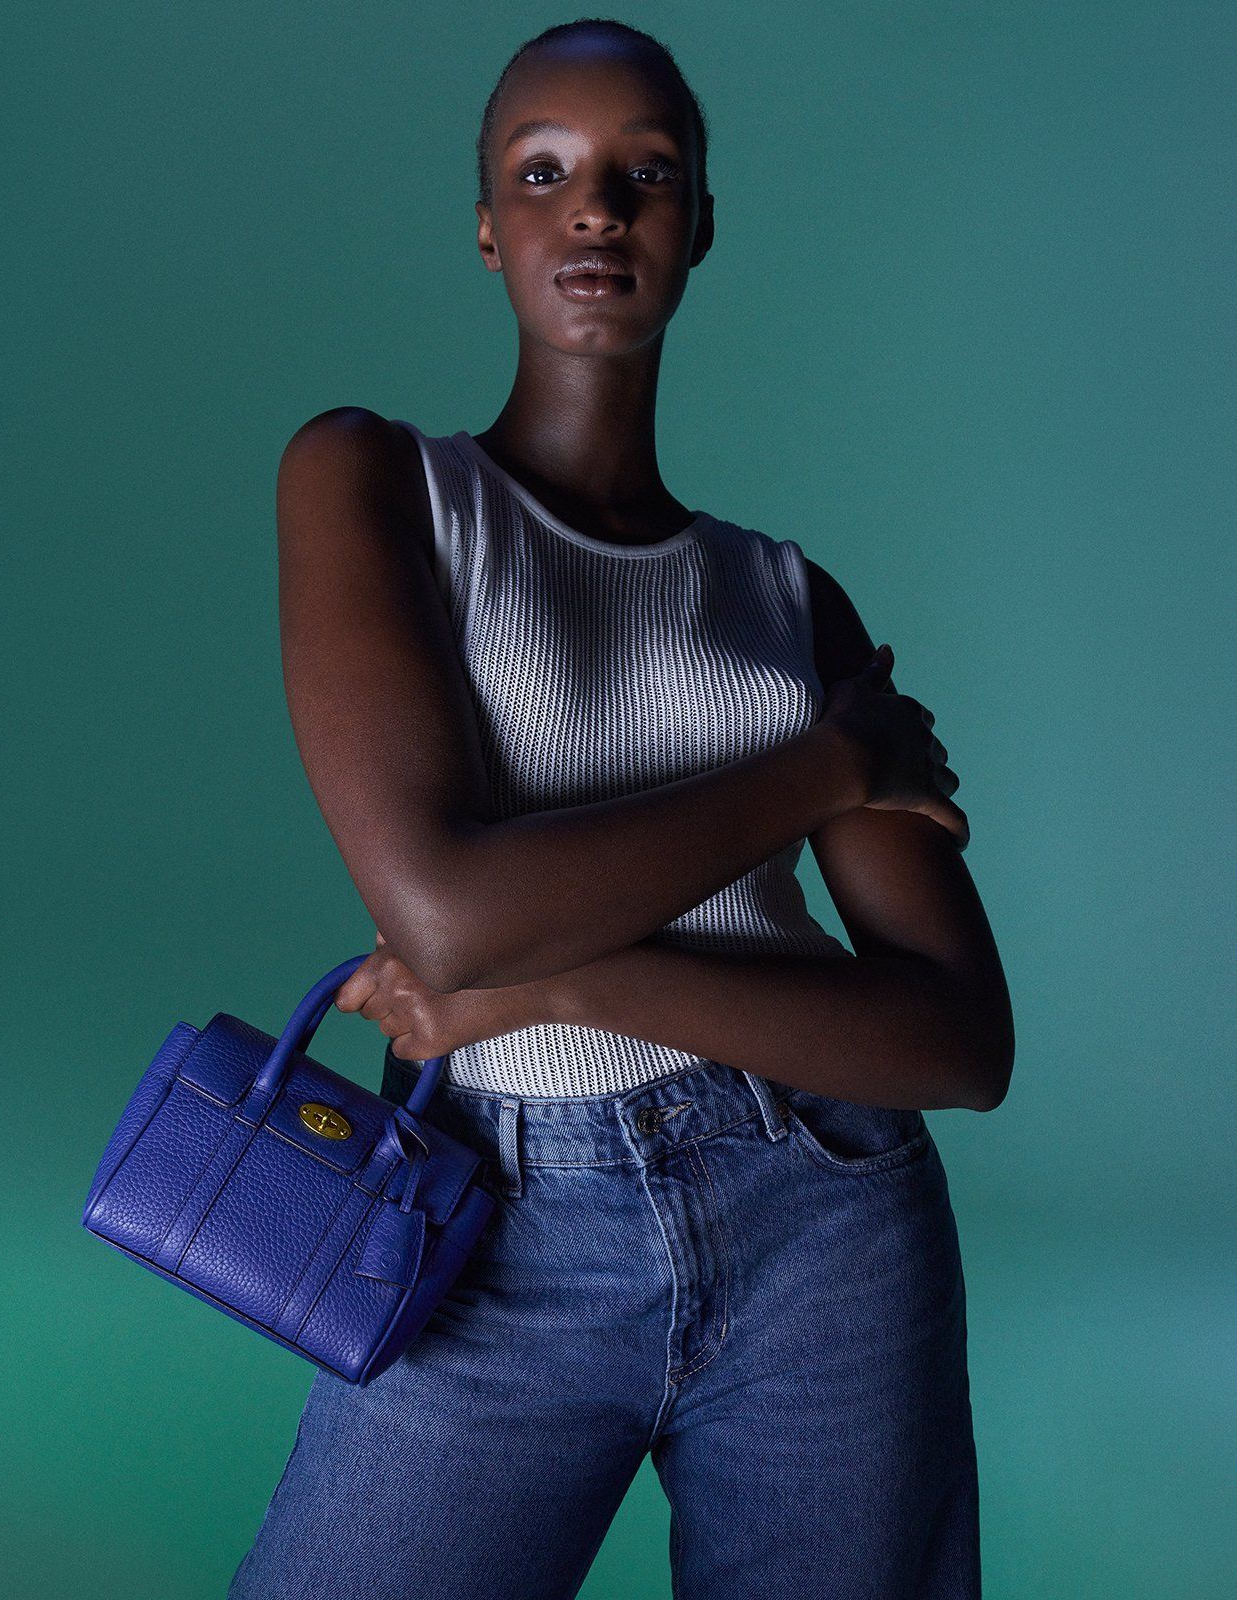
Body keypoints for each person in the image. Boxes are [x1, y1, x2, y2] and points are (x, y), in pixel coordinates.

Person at [228, 19, 1013, 1600]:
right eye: (545, 173)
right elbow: (444, 915)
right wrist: (818, 772)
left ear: (700, 222)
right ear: (488, 223)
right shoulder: (376, 485)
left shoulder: (793, 603)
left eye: (644, 174)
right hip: (489, 1225)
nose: (596, 210)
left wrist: (567, 979)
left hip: (826, 1225)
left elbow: (959, 1044)